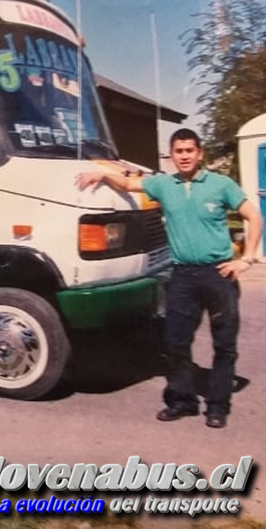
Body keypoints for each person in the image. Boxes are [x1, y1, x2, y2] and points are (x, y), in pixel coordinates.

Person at [74, 128, 263, 429]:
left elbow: (254, 216)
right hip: (183, 276)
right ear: (172, 155)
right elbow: (127, 182)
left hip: (219, 274)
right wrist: (103, 175)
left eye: (190, 150)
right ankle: (182, 400)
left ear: (200, 153)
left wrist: (246, 259)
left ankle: (217, 405)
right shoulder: (163, 184)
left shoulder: (221, 184)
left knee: (224, 345)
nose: (185, 156)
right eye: (179, 151)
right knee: (176, 341)